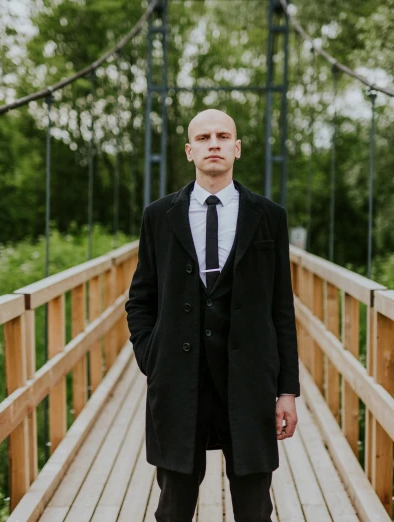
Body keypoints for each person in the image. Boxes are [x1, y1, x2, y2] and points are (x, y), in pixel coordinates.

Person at [125, 108, 299, 522]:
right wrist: (152, 357)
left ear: (237, 149)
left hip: (250, 380)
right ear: (190, 151)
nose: (214, 143)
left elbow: (281, 308)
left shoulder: (269, 217)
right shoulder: (158, 216)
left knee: (255, 509)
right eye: (204, 138)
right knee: (173, 508)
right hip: (180, 381)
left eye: (223, 136)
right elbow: (140, 299)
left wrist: (287, 390)